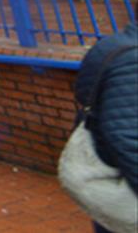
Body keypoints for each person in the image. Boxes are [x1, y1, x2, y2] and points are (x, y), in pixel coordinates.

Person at [60, 22, 137, 233]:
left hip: (113, 181)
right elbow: (128, 138)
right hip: (126, 188)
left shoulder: (114, 45)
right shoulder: (132, 61)